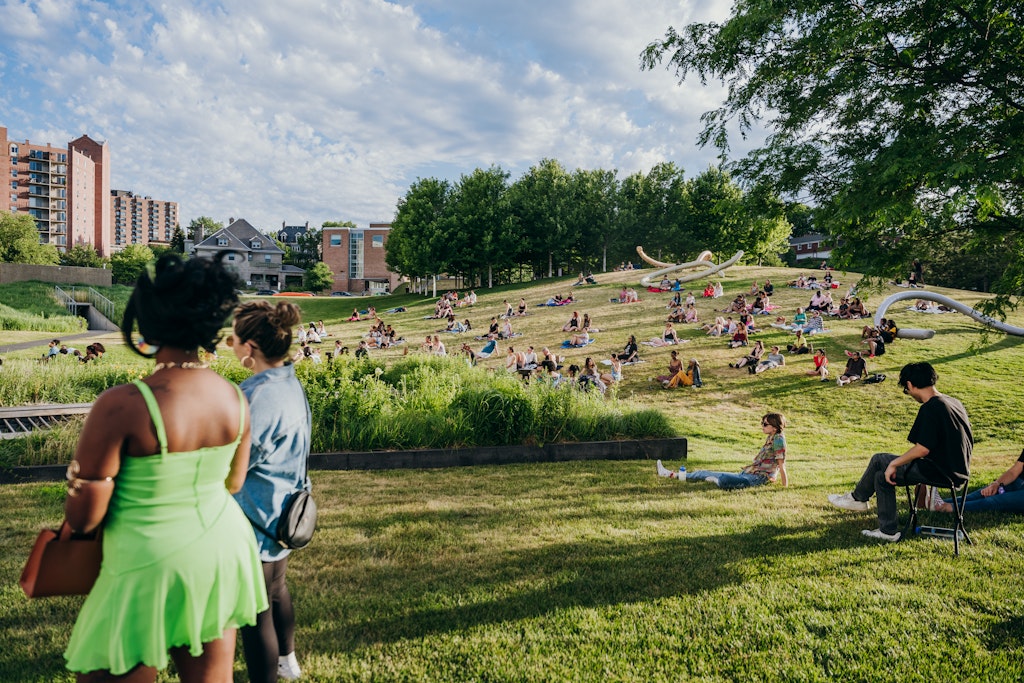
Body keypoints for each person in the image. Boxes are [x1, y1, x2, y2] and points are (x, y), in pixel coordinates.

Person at [63, 253, 266, 681]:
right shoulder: (235, 397)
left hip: (147, 557)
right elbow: (233, 482)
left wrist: (78, 485)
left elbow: (84, 518)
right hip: (221, 546)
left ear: (147, 323)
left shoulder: (122, 404)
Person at [230, 301, 311, 682]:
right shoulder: (289, 381)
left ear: (249, 347)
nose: (229, 342)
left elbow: (236, 465)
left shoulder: (255, 396)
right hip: (286, 511)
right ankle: (288, 662)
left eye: (233, 336)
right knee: (276, 588)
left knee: (254, 611)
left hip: (258, 516)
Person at [828, 362, 972, 542]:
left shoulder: (931, 407)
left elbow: (922, 448)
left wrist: (895, 463)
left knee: (880, 459)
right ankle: (887, 532)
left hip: (940, 471)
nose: (909, 393)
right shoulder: (953, 402)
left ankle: (857, 498)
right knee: (881, 476)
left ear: (910, 384)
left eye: (906, 389)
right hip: (957, 471)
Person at [657, 413, 788, 489]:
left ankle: (717, 481)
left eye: (765, 424)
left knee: (725, 479)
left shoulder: (778, 440)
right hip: (750, 474)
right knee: (705, 472)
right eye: (762, 423)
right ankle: (672, 474)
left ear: (775, 427)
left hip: (758, 478)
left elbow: (781, 465)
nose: (762, 426)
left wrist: (784, 486)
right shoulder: (771, 437)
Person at [928, 449, 1024, 514]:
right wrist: (996, 484)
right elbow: (1014, 471)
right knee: (979, 495)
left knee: (994, 501)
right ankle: (932, 503)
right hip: (1019, 482)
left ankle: (948, 508)